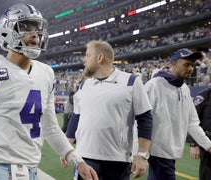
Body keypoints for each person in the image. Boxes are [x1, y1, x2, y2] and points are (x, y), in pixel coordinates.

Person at [0, 3, 98, 180]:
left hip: (31, 169)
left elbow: (51, 127)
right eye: (26, 27)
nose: (35, 34)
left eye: (37, 28)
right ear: (7, 30)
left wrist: (77, 160)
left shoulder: (46, 73)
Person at [64, 40, 153, 180]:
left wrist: (142, 155)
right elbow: (76, 117)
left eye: (88, 55)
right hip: (84, 157)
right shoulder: (84, 85)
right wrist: (66, 148)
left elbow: (145, 119)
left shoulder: (131, 81)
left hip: (117, 159)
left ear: (99, 58)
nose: (84, 60)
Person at [144, 48, 211, 180]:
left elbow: (192, 124)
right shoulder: (155, 85)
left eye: (192, 65)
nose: (191, 68)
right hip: (158, 151)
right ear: (173, 64)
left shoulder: (184, 88)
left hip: (172, 152)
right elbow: (141, 118)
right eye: (186, 64)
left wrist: (208, 146)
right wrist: (140, 152)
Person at [187, 87, 211, 180]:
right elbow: (192, 121)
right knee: (207, 173)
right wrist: (194, 144)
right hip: (207, 142)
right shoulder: (203, 97)